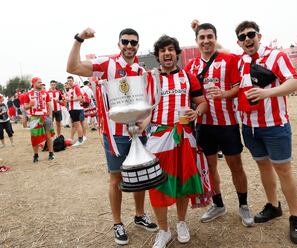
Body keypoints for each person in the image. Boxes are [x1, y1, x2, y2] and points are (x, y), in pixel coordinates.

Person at [66, 27, 158, 245]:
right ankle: (117, 223)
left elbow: (148, 103)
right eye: (125, 42)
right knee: (116, 178)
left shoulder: (141, 71)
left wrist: (144, 123)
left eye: (133, 42)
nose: (129, 45)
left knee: (140, 173)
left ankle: (139, 215)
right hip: (115, 134)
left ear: (137, 45)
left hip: (138, 132)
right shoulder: (106, 65)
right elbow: (72, 67)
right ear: (119, 44)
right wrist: (79, 39)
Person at [235, 21, 297, 244]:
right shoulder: (241, 61)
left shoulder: (276, 56)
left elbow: (294, 82)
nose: (247, 39)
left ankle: (296, 217)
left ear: (259, 36)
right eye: (242, 37)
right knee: (263, 166)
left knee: (284, 170)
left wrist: (267, 94)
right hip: (250, 126)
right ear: (239, 42)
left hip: (274, 125)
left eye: (251, 34)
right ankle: (273, 205)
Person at [140, 35, 208, 248]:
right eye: (162, 50)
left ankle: (181, 223)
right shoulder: (150, 78)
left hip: (184, 135)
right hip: (159, 136)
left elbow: (203, 103)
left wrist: (196, 112)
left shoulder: (188, 77)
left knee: (183, 180)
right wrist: (142, 124)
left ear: (177, 53)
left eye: (171, 49)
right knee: (157, 184)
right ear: (158, 56)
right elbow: (147, 108)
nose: (167, 53)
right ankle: (163, 230)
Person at [185, 22, 254, 226]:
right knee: (209, 167)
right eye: (202, 37)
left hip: (227, 123)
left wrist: (223, 94)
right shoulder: (191, 66)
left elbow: (238, 88)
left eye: (209, 36)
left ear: (215, 38)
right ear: (197, 41)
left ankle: (243, 205)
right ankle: (218, 204)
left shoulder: (229, 59)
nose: (206, 41)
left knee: (236, 166)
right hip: (204, 125)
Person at [24, 77, 55, 162]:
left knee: (49, 136)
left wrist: (50, 117)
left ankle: (51, 153)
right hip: (34, 118)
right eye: (39, 82)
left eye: (41, 82)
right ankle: (36, 155)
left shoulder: (45, 93)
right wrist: (30, 105)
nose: (41, 84)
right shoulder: (28, 94)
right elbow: (25, 107)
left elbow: (49, 105)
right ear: (33, 83)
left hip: (45, 117)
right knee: (35, 137)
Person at [65, 76, 85, 146]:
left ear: (73, 81)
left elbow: (80, 98)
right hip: (72, 109)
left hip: (76, 109)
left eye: (70, 80)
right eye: (68, 81)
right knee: (74, 125)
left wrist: (70, 100)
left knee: (77, 124)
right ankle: (74, 138)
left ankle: (80, 139)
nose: (69, 82)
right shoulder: (70, 89)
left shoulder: (76, 88)